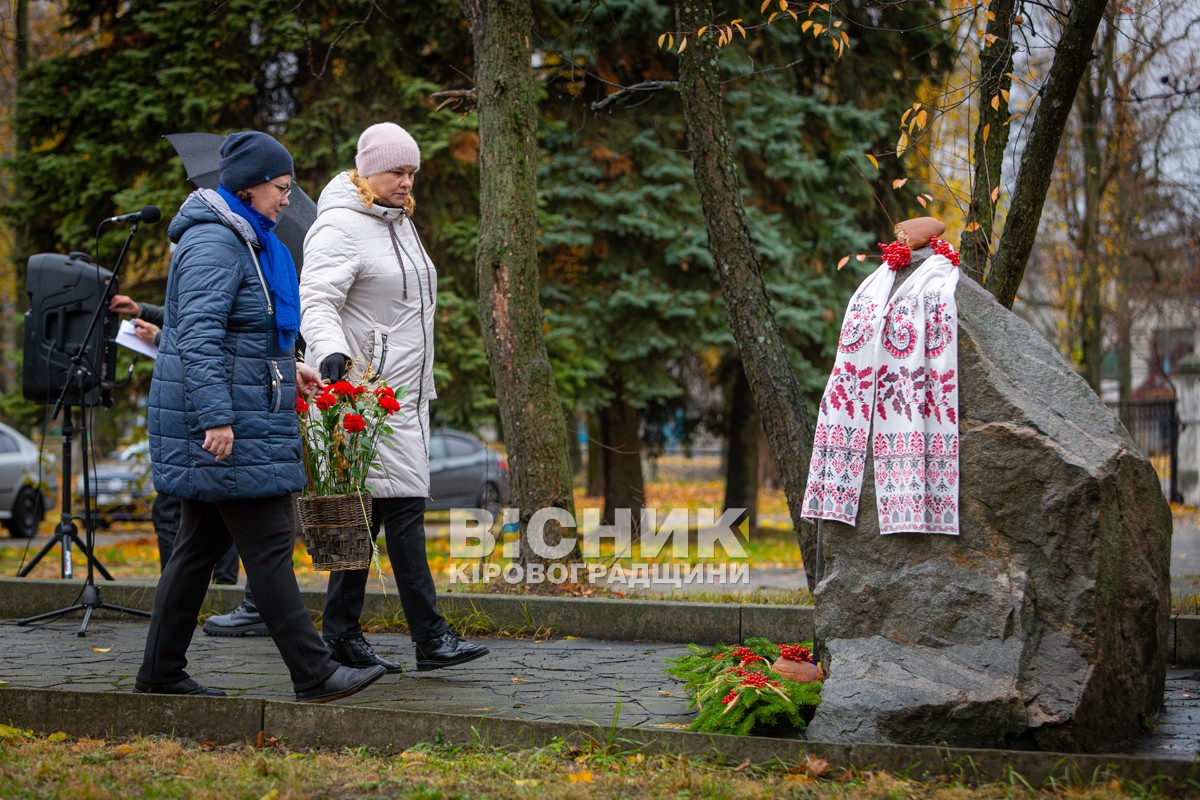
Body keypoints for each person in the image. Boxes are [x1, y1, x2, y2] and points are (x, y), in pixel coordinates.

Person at [134, 130, 385, 701]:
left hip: (244, 412)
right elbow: (196, 338)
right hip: (230, 425)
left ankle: (159, 673)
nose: (287, 200)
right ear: (248, 188)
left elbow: (239, 333)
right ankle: (315, 673)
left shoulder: (245, 242)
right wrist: (217, 418)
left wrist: (285, 364)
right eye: (280, 188)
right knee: (270, 543)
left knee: (196, 549)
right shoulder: (214, 246)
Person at [298, 122, 489, 672]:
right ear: (367, 171)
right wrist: (330, 351)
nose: (408, 182)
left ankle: (342, 631)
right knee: (402, 510)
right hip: (363, 398)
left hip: (404, 394)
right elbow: (318, 298)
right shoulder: (340, 226)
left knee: (373, 514)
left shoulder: (398, 222)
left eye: (412, 172)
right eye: (397, 172)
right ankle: (429, 637)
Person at [110, 294, 240, 587]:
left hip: (199, 408)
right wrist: (141, 308)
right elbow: (188, 316)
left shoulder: (208, 253)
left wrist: (158, 337)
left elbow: (200, 337)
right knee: (218, 502)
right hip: (204, 407)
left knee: (180, 507)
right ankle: (220, 585)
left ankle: (180, 587)